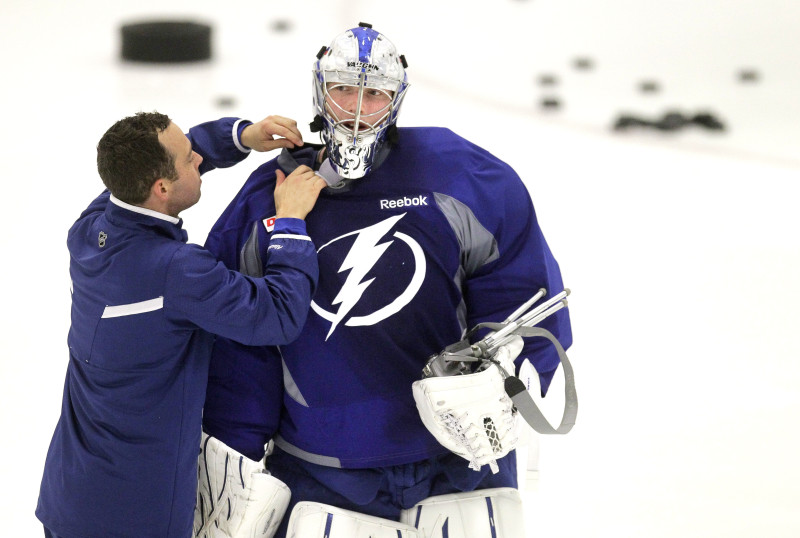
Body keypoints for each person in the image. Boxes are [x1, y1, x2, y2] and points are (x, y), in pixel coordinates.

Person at [197, 23, 573, 538]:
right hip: (324, 472)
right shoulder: (268, 201)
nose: (355, 109)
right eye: (343, 89)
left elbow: (523, 293)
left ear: (396, 100)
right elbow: (239, 346)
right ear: (318, 90)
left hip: (457, 462)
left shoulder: (462, 177)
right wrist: (231, 453)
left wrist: (505, 371)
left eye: (373, 93)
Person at [35, 111, 327, 538]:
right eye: (191, 158)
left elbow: (170, 159)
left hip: (70, 497)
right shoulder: (177, 272)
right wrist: (290, 222)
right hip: (133, 519)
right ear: (162, 188)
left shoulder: (90, 231)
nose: (198, 159)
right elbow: (278, 315)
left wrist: (241, 137)